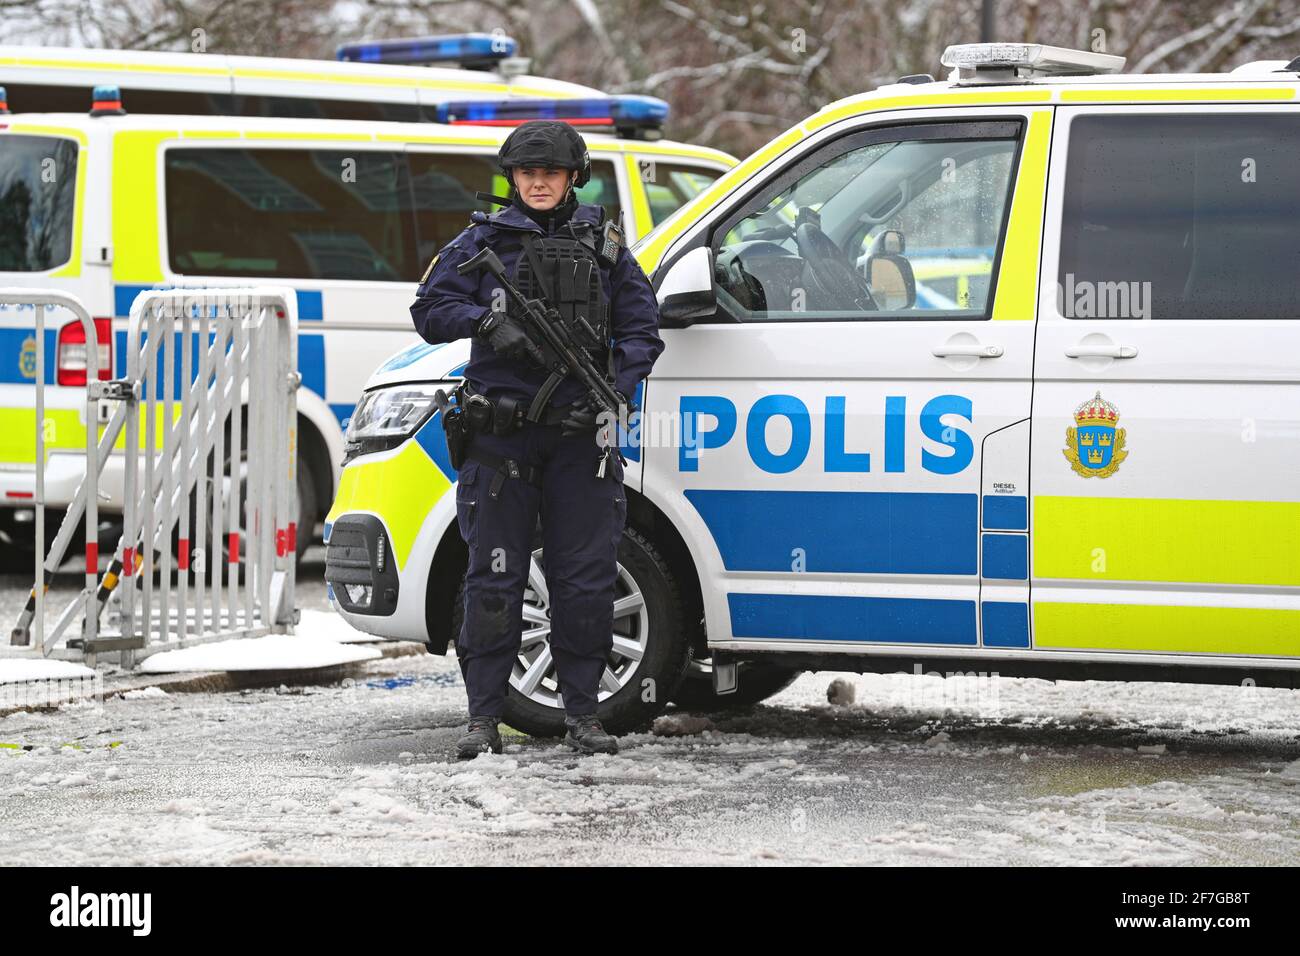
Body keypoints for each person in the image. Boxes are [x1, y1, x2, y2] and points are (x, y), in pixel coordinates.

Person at [410, 119, 664, 760]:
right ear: (512, 179)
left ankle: (583, 714)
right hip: (502, 444)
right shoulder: (481, 242)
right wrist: (487, 322)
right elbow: (429, 310)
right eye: (527, 173)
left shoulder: (605, 247)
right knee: (494, 581)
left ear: (573, 177)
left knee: (585, 581)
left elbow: (641, 332)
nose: (538, 183)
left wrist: (613, 390)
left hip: (581, 440)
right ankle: (483, 720)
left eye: (550, 173)